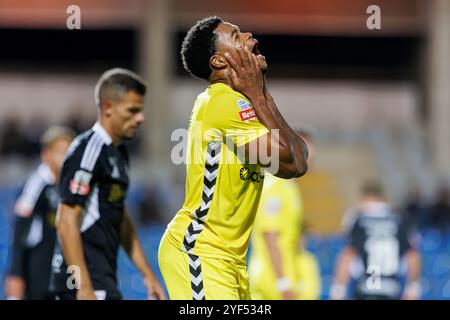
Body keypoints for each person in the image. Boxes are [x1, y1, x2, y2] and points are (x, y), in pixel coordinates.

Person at [158, 16, 308, 300]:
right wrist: (259, 96)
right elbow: (290, 162)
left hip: (230, 261)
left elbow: (299, 161)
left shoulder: (242, 101)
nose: (249, 35)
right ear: (218, 62)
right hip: (201, 251)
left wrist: (261, 93)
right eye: (236, 35)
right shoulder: (225, 101)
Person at [50, 68, 166, 300]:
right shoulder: (88, 150)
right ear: (108, 108)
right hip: (84, 284)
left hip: (103, 279)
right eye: (132, 111)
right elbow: (66, 221)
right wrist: (83, 287)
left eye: (141, 110)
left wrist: (148, 275)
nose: (140, 118)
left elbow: (119, 216)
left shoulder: (119, 153)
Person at [249, 130, 320, 300]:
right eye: (304, 149)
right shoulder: (276, 185)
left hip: (282, 277)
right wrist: (283, 283)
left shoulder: (290, 187)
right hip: (272, 279)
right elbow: (270, 235)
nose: (311, 155)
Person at [4, 126, 75, 299]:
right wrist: (16, 273)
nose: (66, 156)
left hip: (63, 269)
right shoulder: (36, 184)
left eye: (70, 151)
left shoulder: (71, 186)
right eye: (60, 151)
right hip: (38, 269)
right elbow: (21, 228)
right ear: (46, 154)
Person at [331, 181, 421, 300]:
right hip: (392, 290)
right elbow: (413, 256)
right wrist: (413, 288)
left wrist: (338, 291)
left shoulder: (357, 219)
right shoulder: (400, 219)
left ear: (364, 197)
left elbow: (348, 256)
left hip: (365, 289)